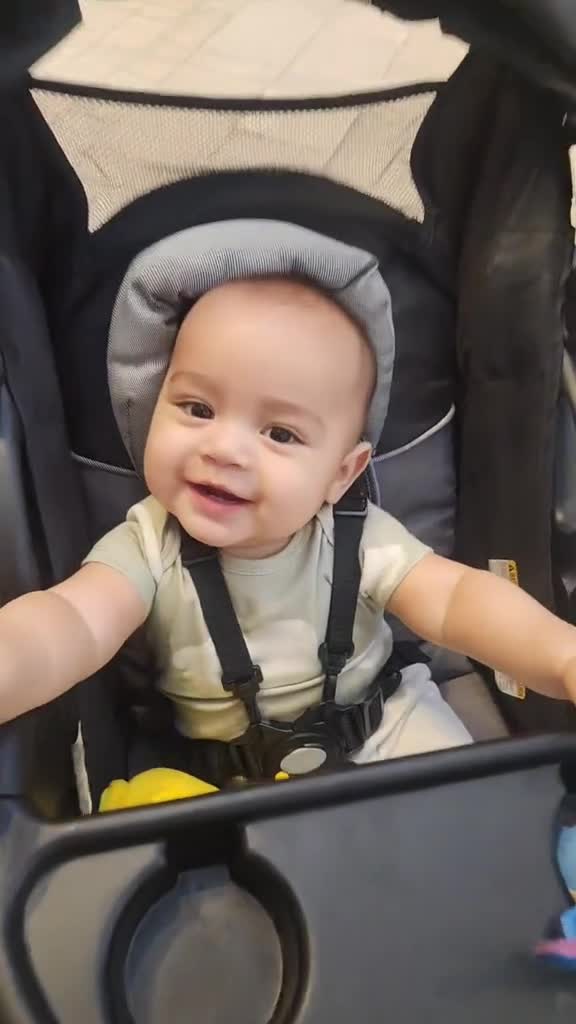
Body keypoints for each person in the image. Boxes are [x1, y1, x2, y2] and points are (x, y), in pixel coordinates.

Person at [1, 275, 576, 774]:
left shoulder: (354, 537)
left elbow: (455, 600)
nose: (223, 449)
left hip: (386, 730)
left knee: (469, 826)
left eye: (280, 434)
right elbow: (73, 621)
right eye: (198, 409)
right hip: (223, 775)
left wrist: (560, 655)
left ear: (341, 473)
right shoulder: (149, 544)